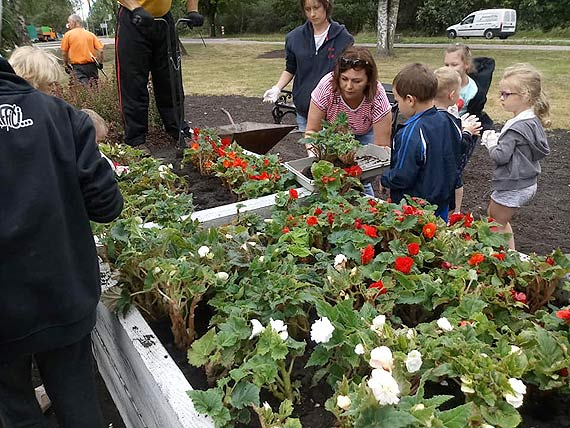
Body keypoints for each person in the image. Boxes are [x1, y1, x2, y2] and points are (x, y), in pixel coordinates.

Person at [0, 50, 123, 427]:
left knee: (14, 411)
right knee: (79, 404)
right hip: (63, 294)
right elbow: (106, 205)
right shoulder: (60, 115)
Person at [115, 0, 203, 149]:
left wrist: (192, 10)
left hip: (163, 21)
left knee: (171, 80)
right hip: (133, 18)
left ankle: (179, 129)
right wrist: (135, 8)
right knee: (133, 83)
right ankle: (136, 140)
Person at [305, 46, 393, 196]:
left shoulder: (377, 95)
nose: (349, 86)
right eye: (344, 79)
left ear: (368, 80)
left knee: (360, 182)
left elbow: (382, 148)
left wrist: (374, 173)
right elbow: (312, 131)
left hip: (364, 133)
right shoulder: (327, 86)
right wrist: (317, 161)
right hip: (334, 134)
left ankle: (364, 200)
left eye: (357, 81)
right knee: (331, 178)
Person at [481, 63, 550, 250]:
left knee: (494, 225)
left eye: (506, 94)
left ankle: (501, 262)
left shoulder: (515, 128)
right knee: (496, 218)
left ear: (525, 95)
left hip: (513, 183)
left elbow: (500, 156)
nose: (501, 99)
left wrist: (490, 140)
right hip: (527, 182)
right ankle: (510, 255)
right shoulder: (532, 120)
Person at [380, 63, 460, 221]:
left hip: (414, 211)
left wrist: (386, 178)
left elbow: (403, 174)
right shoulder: (449, 121)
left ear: (410, 100)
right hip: (441, 203)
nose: (397, 105)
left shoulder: (411, 132)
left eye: (397, 100)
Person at [262, 0, 353, 131]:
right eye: (307, 9)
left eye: (316, 8)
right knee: (309, 150)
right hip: (304, 111)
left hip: (334, 113)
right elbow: (290, 68)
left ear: (326, 6)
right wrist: (277, 88)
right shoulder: (294, 38)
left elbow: (349, 73)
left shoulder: (343, 38)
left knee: (332, 151)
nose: (312, 14)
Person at [433, 66, 481, 213]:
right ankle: (455, 212)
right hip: (447, 167)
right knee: (456, 180)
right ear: (452, 95)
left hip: (433, 166)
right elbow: (457, 144)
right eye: (459, 91)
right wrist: (467, 131)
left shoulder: (430, 113)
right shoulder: (446, 118)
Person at [444, 43, 479, 213]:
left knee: (456, 171)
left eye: (454, 64)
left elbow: (474, 114)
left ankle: (456, 211)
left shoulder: (472, 90)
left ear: (466, 65)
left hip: (465, 131)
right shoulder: (443, 82)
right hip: (447, 129)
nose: (450, 68)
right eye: (446, 65)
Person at [61, 14, 104, 84]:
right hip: (92, 66)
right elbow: (100, 50)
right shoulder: (90, 34)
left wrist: (66, 64)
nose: (68, 24)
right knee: (94, 87)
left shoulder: (68, 35)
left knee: (84, 89)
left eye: (69, 22)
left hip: (78, 67)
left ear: (75, 22)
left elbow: (64, 53)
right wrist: (100, 63)